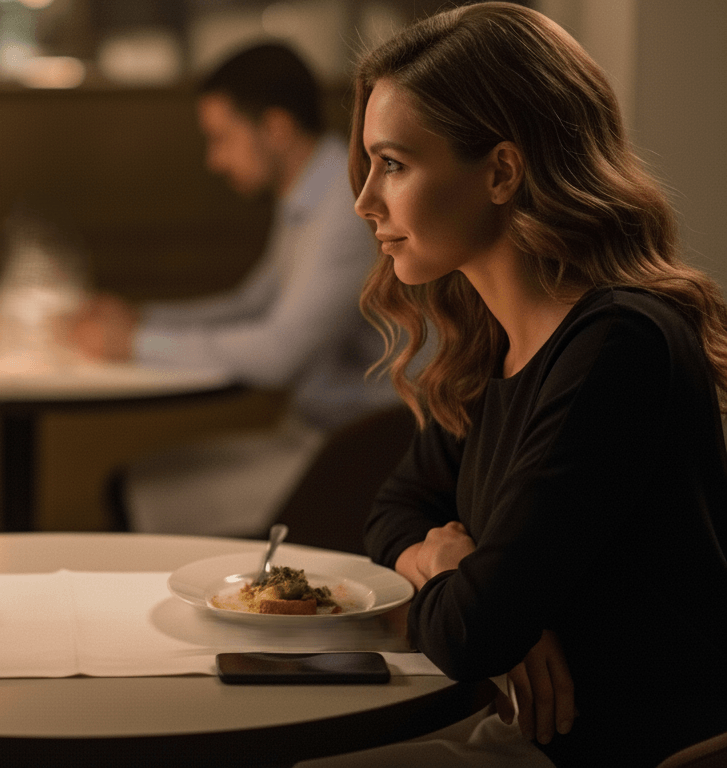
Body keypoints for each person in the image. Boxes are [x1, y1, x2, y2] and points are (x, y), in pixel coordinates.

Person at [301, 4, 727, 766]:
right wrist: (458, 576)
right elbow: (394, 513)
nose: (365, 202)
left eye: (393, 164)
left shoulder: (617, 346)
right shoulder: (490, 344)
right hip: (527, 735)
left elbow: (471, 635)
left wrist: (463, 581)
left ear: (501, 171)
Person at [70, 42, 396, 538]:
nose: (214, 161)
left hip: (362, 456)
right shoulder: (313, 190)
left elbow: (280, 353)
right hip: (323, 437)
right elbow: (252, 305)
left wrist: (135, 343)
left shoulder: (346, 201)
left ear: (276, 128)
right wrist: (142, 320)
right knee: (129, 484)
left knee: (130, 493)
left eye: (221, 138)